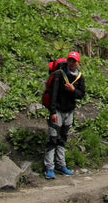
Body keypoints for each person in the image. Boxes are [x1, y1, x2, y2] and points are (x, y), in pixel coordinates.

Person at [43, 51, 86, 179]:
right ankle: (48, 167)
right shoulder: (59, 75)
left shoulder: (79, 77)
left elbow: (81, 94)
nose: (71, 63)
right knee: (52, 139)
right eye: (70, 60)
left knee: (63, 138)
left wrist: (73, 90)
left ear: (78, 63)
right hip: (58, 111)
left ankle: (61, 165)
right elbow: (53, 94)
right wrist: (53, 111)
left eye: (74, 61)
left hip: (69, 111)